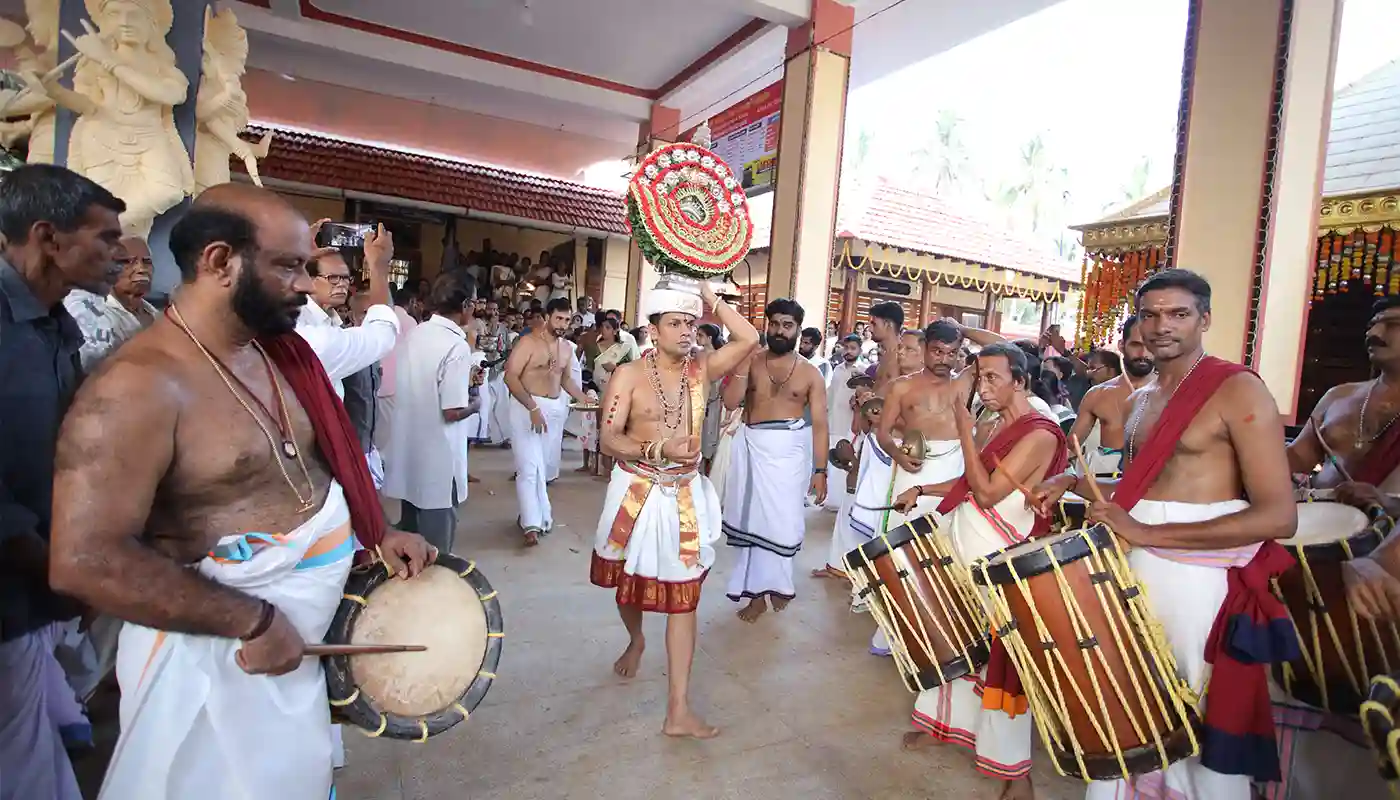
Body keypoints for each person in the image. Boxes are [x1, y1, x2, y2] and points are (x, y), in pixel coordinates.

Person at [46, 183, 436, 800]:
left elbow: (315, 463)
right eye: (289, 267)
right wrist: (251, 622)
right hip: (216, 668)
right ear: (220, 262)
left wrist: (377, 532)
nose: (308, 286)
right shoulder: (137, 389)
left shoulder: (279, 354)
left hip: (291, 658)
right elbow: (83, 559)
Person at [1029, 268, 1298, 800]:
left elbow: (1277, 517)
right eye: (1150, 314)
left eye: (1178, 314)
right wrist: (1072, 480)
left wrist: (1145, 533)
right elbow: (1144, 490)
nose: (1161, 326)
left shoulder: (1237, 388)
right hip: (1134, 570)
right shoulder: (1143, 395)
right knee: (1130, 716)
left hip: (1197, 587)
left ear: (1205, 320)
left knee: (1191, 731)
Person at [0, 164, 125, 800]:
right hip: (14, 578)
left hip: (37, 581)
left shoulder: (56, 326)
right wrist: (51, 563)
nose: (121, 254)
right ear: (48, 237)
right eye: (104, 238)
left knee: (31, 742)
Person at [895, 342, 1068, 800]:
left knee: (1003, 661)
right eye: (979, 377)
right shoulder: (993, 423)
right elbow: (970, 480)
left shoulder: (1041, 433)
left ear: (1021, 380)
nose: (983, 386)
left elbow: (989, 492)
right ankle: (943, 725)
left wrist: (965, 432)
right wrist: (924, 489)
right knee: (954, 641)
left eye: (993, 378)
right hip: (967, 543)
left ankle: (1017, 772)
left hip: (1002, 555)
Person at [590, 281, 758, 738]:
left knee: (684, 598)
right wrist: (659, 447)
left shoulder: (701, 369)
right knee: (627, 585)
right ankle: (636, 639)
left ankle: (678, 710)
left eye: (691, 323)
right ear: (653, 329)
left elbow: (749, 339)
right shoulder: (627, 375)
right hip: (636, 492)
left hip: (684, 494)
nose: (686, 331)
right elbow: (609, 439)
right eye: (676, 323)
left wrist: (711, 295)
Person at [721, 299, 829, 622]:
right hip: (752, 449)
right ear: (767, 325)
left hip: (789, 456)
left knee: (782, 523)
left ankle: (778, 584)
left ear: (798, 329)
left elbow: (821, 424)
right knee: (753, 523)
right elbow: (729, 403)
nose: (780, 331)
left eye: (788, 326)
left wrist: (821, 470)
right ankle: (755, 596)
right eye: (775, 324)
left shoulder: (811, 374)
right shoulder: (751, 362)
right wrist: (741, 366)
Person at [382, 272, 481, 556]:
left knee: (411, 533)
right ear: (464, 305)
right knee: (438, 548)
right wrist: (475, 404)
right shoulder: (456, 345)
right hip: (438, 457)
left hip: (409, 449)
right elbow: (451, 411)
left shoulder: (415, 333)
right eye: (473, 302)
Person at [504, 296, 594, 545]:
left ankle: (533, 515)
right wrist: (531, 406)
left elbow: (565, 379)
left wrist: (582, 397)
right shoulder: (528, 343)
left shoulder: (566, 348)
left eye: (567, 319)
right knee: (528, 466)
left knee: (541, 467)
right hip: (527, 405)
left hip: (553, 408)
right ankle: (531, 525)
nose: (563, 324)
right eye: (559, 318)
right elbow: (510, 377)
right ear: (547, 316)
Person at [877, 321, 973, 528]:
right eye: (938, 351)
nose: (944, 359)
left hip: (953, 470)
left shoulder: (964, 382)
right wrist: (898, 455)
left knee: (946, 537)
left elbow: (1005, 349)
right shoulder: (901, 387)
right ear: (924, 349)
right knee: (901, 536)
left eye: (952, 353)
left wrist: (962, 330)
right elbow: (883, 434)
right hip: (911, 467)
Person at [295, 223, 399, 399]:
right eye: (333, 278)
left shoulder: (329, 322)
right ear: (308, 279)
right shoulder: (304, 330)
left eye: (345, 278)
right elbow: (381, 335)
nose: (342, 284)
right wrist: (379, 266)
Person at [1068, 318, 1154, 475]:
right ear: (1122, 346)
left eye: (1150, 345)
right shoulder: (1098, 394)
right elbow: (1070, 448)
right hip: (1102, 483)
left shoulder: (1174, 393)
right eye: (1136, 345)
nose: (1143, 354)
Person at [63, 235, 157, 372]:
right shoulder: (90, 310)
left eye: (147, 262)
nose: (141, 269)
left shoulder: (155, 314)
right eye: (128, 262)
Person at [867, 302, 904, 392]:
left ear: (888, 325)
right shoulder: (884, 355)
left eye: (874, 324)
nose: (870, 329)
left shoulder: (902, 356)